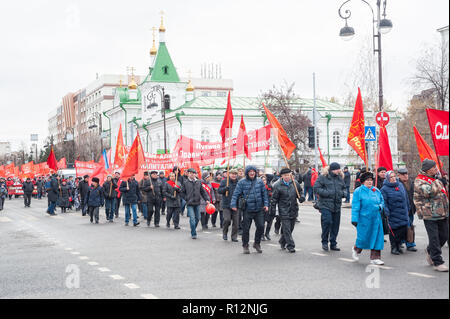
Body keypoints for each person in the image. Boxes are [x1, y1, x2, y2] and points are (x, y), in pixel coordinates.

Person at [414, 159, 449, 272]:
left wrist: (443, 182)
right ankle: (437, 262)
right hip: (429, 213)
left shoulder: (435, 179)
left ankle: (430, 250)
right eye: (434, 168)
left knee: (444, 236)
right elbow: (428, 191)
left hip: (442, 212)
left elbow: (443, 193)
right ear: (428, 170)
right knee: (434, 237)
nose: (436, 169)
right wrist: (440, 182)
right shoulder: (419, 180)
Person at [230, 165, 269, 254]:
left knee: (261, 226)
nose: (252, 173)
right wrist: (233, 204)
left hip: (259, 208)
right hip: (247, 209)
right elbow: (235, 194)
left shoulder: (260, 182)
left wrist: (266, 204)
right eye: (250, 171)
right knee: (246, 229)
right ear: (247, 172)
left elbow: (264, 194)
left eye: (253, 171)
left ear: (256, 172)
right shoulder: (241, 182)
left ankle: (257, 243)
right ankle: (245, 245)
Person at [351, 172, 385, 265]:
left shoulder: (376, 190)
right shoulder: (358, 191)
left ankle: (375, 257)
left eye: (371, 180)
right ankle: (356, 249)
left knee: (377, 237)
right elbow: (355, 206)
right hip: (364, 219)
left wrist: (380, 207)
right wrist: (354, 219)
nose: (370, 182)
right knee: (363, 238)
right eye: (367, 180)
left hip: (376, 218)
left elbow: (382, 201)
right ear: (363, 182)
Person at [314, 163, 347, 251]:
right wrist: (327, 193)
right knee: (327, 223)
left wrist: (343, 194)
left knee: (336, 225)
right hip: (325, 205)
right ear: (332, 169)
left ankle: (333, 243)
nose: (339, 170)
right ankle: (324, 242)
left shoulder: (340, 178)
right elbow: (316, 188)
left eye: (339, 169)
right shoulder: (323, 177)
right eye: (337, 169)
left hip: (337, 205)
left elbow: (344, 188)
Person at [271, 168, 304, 253]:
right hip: (283, 210)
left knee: (291, 228)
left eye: (289, 175)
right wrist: (273, 210)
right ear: (281, 176)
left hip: (293, 209)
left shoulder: (295, 183)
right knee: (286, 229)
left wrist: (301, 197)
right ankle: (290, 246)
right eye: (285, 175)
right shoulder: (277, 185)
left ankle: (282, 241)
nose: (287, 177)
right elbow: (274, 199)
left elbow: (300, 192)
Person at [380, 171, 410, 255]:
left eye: (394, 176)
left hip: (403, 212)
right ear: (387, 179)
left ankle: (399, 245)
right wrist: (386, 212)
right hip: (393, 212)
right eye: (391, 177)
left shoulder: (400, 185)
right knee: (394, 231)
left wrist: (408, 208)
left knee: (403, 230)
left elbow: (406, 197)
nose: (393, 178)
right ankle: (394, 247)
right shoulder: (384, 189)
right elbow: (384, 202)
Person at [180, 168, 210, 239]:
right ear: (188, 174)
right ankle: (193, 233)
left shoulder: (198, 182)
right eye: (190, 173)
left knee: (198, 218)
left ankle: (193, 228)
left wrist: (207, 199)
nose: (192, 174)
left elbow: (202, 192)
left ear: (195, 174)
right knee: (192, 219)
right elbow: (182, 192)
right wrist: (186, 198)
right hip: (190, 204)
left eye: (193, 173)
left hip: (197, 203)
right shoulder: (185, 182)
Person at [398, 168, 417, 252]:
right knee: (402, 227)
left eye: (406, 174)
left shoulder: (412, 183)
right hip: (401, 209)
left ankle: (410, 244)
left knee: (410, 227)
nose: (405, 176)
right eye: (403, 174)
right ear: (399, 175)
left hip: (411, 209)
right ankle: (401, 242)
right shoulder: (397, 184)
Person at [218, 169, 239, 242]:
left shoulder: (239, 182)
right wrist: (225, 189)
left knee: (236, 222)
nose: (234, 175)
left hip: (236, 205)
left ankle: (234, 236)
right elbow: (219, 191)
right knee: (227, 220)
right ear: (229, 174)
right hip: (226, 204)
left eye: (235, 174)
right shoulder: (225, 181)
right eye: (232, 174)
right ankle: (225, 233)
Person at [261, 175, 274, 241]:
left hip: (270, 205)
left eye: (265, 180)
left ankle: (267, 233)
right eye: (262, 180)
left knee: (270, 221)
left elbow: (273, 194)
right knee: (262, 221)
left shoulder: (269, 186)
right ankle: (262, 234)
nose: (264, 181)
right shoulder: (259, 187)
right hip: (262, 206)